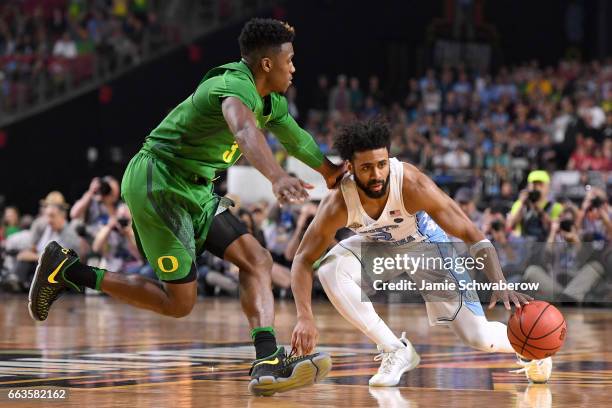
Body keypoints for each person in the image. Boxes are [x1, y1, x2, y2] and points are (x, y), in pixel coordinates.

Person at [29, 18, 343, 396]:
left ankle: (266, 360)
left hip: (196, 189)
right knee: (179, 303)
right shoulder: (230, 85)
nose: (293, 68)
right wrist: (276, 177)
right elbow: (244, 131)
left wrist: (331, 172)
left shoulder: (271, 102)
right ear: (266, 65)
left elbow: (296, 138)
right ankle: (70, 271)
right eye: (289, 60)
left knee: (256, 259)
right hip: (157, 181)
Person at [289, 119, 551, 388]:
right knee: (330, 269)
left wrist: (499, 282)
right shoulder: (338, 203)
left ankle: (532, 348)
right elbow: (303, 259)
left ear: (389, 159)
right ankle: (395, 349)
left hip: (427, 248)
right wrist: (304, 316)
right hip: (380, 247)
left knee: (478, 337)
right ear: (350, 167)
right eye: (366, 168)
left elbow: (471, 233)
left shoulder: (411, 184)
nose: (377, 175)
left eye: (381, 164)